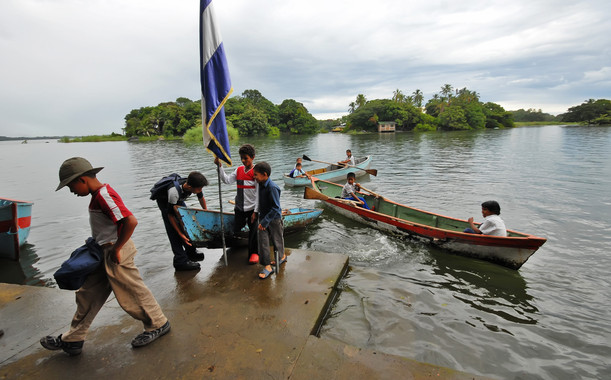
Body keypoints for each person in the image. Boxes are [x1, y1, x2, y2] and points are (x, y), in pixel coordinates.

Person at [41, 157, 170, 356]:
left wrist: (117, 248)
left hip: (116, 250)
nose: (72, 191)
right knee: (88, 294)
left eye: (71, 186)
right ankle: (74, 338)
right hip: (102, 250)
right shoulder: (97, 196)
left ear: (82, 180)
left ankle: (158, 324)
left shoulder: (104, 195)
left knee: (131, 290)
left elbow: (130, 221)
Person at [215, 144, 259, 264]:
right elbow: (227, 180)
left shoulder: (256, 172)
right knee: (237, 228)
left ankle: (254, 253)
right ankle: (240, 242)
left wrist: (256, 211)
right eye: (242, 158)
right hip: (239, 207)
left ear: (253, 157)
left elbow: (259, 194)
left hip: (252, 208)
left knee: (253, 232)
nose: (243, 160)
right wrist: (220, 167)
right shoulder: (239, 170)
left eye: (246, 158)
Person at [155, 171, 208, 271]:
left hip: (178, 200)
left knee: (187, 222)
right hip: (165, 202)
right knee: (173, 231)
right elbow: (170, 215)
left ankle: (191, 252)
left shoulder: (195, 185)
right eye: (199, 189)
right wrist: (180, 234)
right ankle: (180, 261)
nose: (200, 190)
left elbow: (201, 198)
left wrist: (206, 212)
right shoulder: (173, 192)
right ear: (190, 187)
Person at [253, 162, 286, 279]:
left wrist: (265, 221)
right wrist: (257, 214)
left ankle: (282, 257)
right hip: (263, 218)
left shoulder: (272, 187)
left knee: (277, 240)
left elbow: (276, 207)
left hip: (274, 219)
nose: (254, 177)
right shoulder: (260, 184)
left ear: (264, 174)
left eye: (256, 175)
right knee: (263, 242)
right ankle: (267, 266)